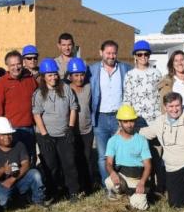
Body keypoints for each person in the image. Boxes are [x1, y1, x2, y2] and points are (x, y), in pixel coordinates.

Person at [140, 93, 184, 210]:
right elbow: (148, 132)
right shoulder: (160, 121)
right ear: (165, 107)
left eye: (177, 106)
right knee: (176, 204)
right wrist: (130, 130)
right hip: (172, 167)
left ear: (181, 105)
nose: (174, 109)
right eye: (171, 106)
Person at [33, 58, 80, 201]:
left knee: (69, 163)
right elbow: (37, 114)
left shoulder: (65, 88)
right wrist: (44, 135)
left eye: (55, 74)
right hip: (47, 135)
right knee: (51, 166)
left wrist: (71, 128)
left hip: (64, 134)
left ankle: (73, 192)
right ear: (43, 77)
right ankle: (53, 192)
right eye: (49, 75)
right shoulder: (39, 93)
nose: (53, 77)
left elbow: (73, 108)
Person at [123, 40, 164, 195]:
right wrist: (127, 123)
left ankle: (159, 187)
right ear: (135, 56)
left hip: (155, 120)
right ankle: (144, 187)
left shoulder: (156, 73)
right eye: (140, 54)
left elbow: (161, 96)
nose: (143, 57)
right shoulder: (130, 75)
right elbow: (127, 99)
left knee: (156, 155)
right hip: (138, 122)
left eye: (146, 54)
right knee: (141, 157)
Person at [89, 40, 132, 183]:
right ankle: (107, 185)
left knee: (120, 153)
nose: (111, 56)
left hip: (118, 118)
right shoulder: (92, 70)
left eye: (114, 53)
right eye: (108, 53)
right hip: (100, 118)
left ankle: (121, 183)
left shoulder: (125, 69)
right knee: (103, 156)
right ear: (101, 53)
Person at [0, 117, 46, 211]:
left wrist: (12, 179)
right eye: (3, 135)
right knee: (2, 204)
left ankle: (39, 201)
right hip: (2, 184)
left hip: (19, 180)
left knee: (35, 174)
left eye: (9, 134)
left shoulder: (19, 145)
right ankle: (17, 200)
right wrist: (3, 170)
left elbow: (26, 165)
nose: (7, 137)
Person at [0, 50, 38, 163]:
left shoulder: (30, 80)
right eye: (12, 65)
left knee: (30, 159)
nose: (16, 67)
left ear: (22, 64)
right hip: (11, 131)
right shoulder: (1, 83)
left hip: (29, 128)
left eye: (18, 64)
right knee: (15, 163)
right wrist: (0, 132)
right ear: (7, 66)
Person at [103, 105, 152, 210]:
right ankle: (121, 193)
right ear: (119, 122)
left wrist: (142, 182)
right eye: (125, 122)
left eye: (131, 121)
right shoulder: (113, 140)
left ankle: (132, 194)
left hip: (136, 178)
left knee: (140, 207)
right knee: (109, 181)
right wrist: (112, 173)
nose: (129, 125)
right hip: (122, 175)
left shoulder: (142, 140)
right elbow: (108, 163)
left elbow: (148, 166)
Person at [67, 57, 99, 193]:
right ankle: (75, 187)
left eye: (82, 75)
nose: (79, 78)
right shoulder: (66, 89)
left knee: (87, 158)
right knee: (73, 159)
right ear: (70, 76)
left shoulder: (88, 87)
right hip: (72, 131)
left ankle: (87, 186)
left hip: (86, 130)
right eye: (76, 75)